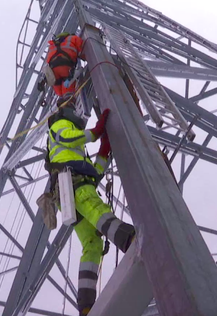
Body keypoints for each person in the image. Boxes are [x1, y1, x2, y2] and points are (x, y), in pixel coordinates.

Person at [46, 94, 136, 315]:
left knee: (92, 243)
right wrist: (94, 133)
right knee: (97, 211)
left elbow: (94, 174)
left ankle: (86, 304)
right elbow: (68, 138)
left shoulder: (77, 153)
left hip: (70, 192)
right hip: (72, 184)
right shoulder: (59, 124)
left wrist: (104, 151)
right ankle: (130, 239)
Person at [42, 32, 84, 97]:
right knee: (67, 88)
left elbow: (48, 59)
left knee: (58, 89)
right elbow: (81, 47)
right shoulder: (73, 38)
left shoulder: (52, 44)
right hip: (65, 65)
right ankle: (68, 99)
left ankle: (62, 99)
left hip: (53, 69)